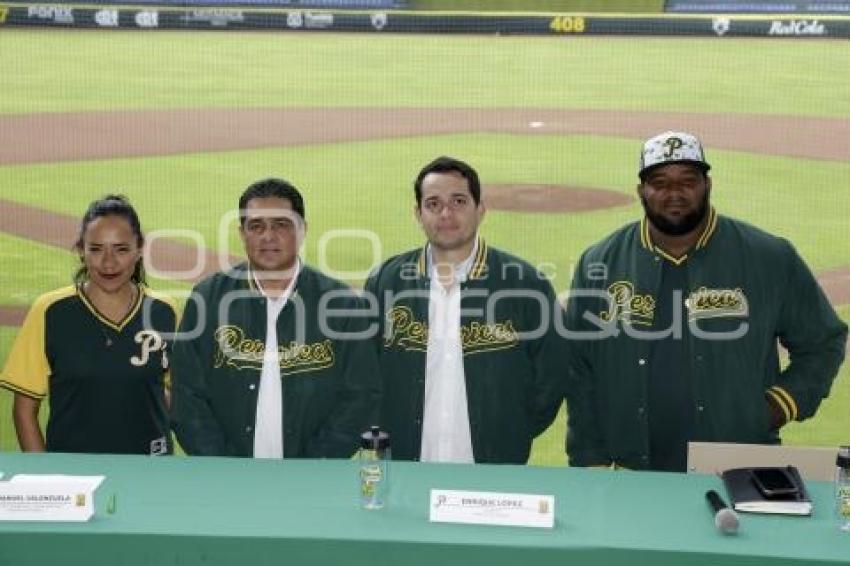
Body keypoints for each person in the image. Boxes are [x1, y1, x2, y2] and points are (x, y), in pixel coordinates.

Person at [564, 131, 848, 472]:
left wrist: (777, 405)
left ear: (707, 184)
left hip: (738, 465)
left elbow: (822, 342)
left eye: (688, 180)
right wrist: (589, 459)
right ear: (641, 190)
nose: (674, 193)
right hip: (630, 471)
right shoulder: (601, 262)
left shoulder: (769, 257)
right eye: (660, 182)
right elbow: (579, 371)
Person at [365, 156, 564, 464]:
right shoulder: (385, 282)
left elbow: (553, 375)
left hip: (494, 468)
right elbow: (364, 373)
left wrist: (513, 429)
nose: (446, 213)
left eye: (458, 201)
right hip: (403, 467)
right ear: (418, 214)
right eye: (433, 204)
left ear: (480, 209)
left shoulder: (526, 283)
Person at [170, 178, 379, 458]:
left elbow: (361, 397)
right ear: (242, 233)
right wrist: (220, 463)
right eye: (256, 226)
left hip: (313, 480)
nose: (268, 236)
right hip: (225, 479)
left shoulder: (342, 305)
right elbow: (187, 397)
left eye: (281, 224)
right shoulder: (207, 299)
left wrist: (314, 465)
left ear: (303, 230)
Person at [1, 195, 177, 455]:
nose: (108, 262)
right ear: (80, 250)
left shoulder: (164, 312)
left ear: (139, 249)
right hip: (73, 474)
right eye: (96, 249)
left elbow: (176, 394)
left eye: (121, 249)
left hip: (150, 468)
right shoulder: (51, 311)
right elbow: (24, 410)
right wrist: (46, 476)